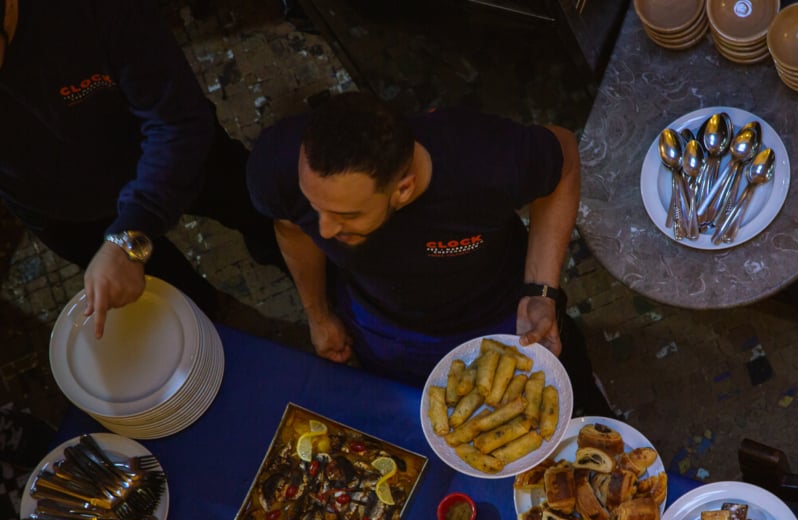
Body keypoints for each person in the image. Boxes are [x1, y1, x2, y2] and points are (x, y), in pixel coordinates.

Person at [246, 90, 611, 415]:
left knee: (567, 403)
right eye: (315, 206)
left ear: (403, 190)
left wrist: (541, 291)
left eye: (346, 215)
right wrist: (319, 315)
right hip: (385, 329)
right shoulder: (278, 163)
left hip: (502, 315)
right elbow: (292, 228)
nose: (324, 229)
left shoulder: (484, 160)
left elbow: (564, 158)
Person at [0, 0, 283, 339]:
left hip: (167, 154)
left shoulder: (91, 12)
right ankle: (217, 329)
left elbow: (177, 122)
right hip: (60, 212)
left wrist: (132, 232)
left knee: (260, 212)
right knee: (174, 297)